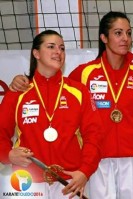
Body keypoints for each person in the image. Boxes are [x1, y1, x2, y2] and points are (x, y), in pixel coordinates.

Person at [8, 11, 133, 199]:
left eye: (129, 33)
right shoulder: (83, 74)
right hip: (92, 164)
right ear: (104, 38)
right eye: (118, 33)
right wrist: (20, 81)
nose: (125, 38)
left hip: (129, 158)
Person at [0, 30, 104, 198]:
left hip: (69, 182)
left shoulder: (78, 91)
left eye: (62, 48)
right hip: (26, 181)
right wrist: (8, 154)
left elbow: (95, 136)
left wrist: (84, 171)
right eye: (51, 47)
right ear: (36, 53)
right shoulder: (17, 92)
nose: (58, 52)